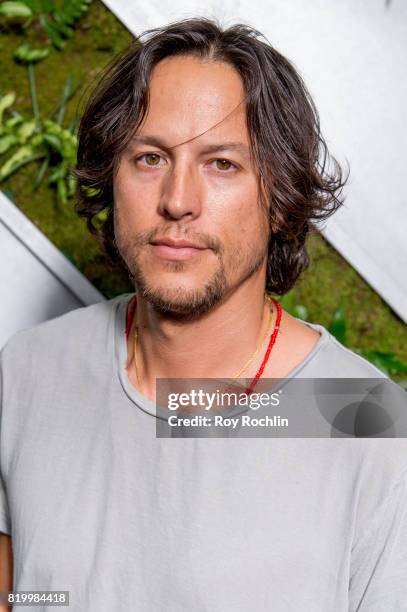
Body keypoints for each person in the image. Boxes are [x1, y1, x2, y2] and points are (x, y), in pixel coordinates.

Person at [1, 17, 406, 612]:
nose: (178, 201)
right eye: (149, 158)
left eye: (222, 164)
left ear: (281, 197)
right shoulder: (30, 369)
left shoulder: (370, 424)